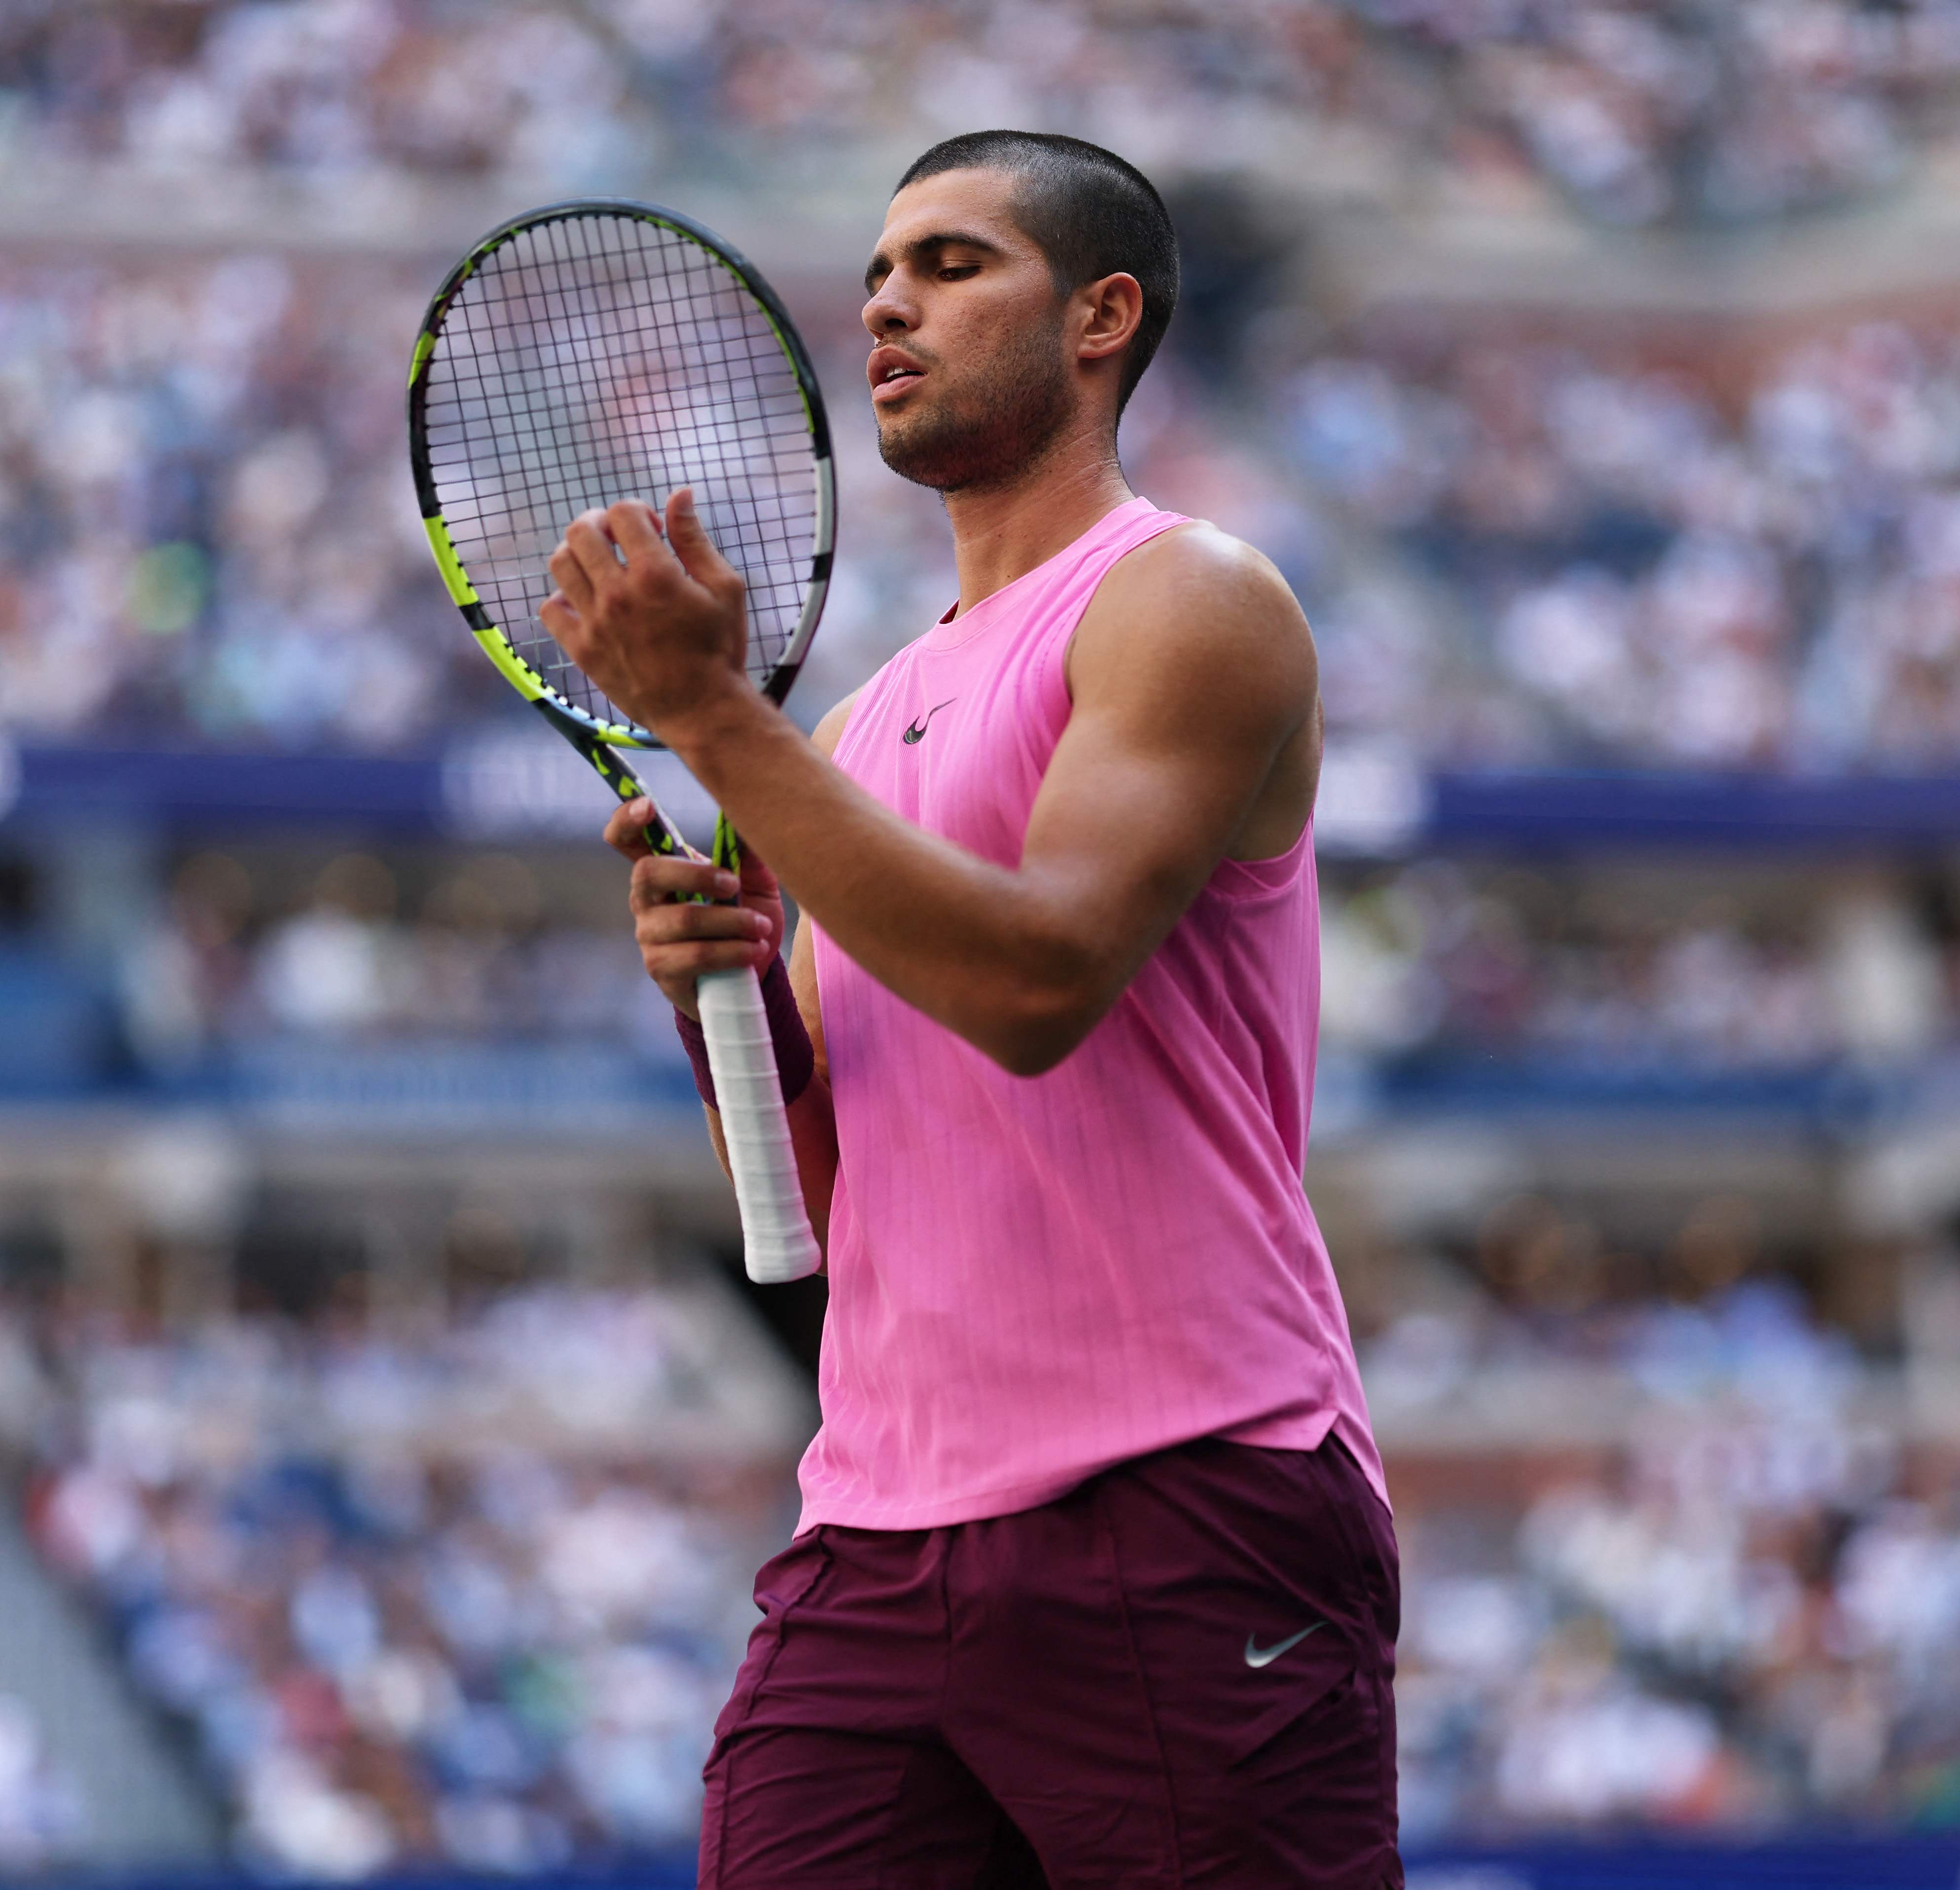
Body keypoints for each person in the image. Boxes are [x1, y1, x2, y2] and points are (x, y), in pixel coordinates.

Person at [544, 130, 1395, 1889]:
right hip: (875, 1528)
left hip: (1186, 1492)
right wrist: (732, 1015)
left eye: (948, 264)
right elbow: (837, 1193)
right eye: (878, 274)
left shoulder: (1192, 602)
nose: (884, 303)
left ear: (1101, 316)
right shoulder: (856, 730)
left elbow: (1034, 984)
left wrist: (718, 728)